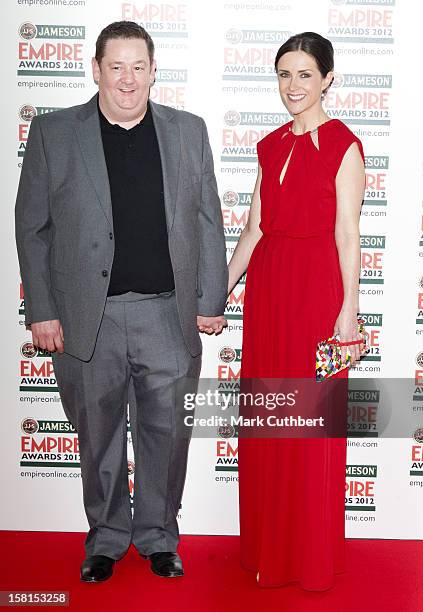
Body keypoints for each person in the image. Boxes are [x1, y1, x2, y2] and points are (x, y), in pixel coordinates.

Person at [15, 21, 227, 583]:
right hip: (90, 319)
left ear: (154, 71)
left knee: (167, 434)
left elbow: (208, 218)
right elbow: (30, 225)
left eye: (139, 66)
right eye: (117, 66)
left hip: (168, 313)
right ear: (96, 70)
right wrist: (41, 309)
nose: (128, 79)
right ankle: (106, 539)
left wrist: (210, 296)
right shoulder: (55, 133)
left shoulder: (189, 131)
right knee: (99, 435)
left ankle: (158, 536)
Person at [228, 32, 365, 590]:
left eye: (305, 74)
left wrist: (348, 310)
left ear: (328, 78)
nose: (293, 85)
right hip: (268, 297)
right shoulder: (269, 145)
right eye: (284, 74)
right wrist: (219, 290)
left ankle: (308, 558)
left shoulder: (344, 145)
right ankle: (268, 550)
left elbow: (349, 235)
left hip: (316, 298)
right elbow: (256, 228)